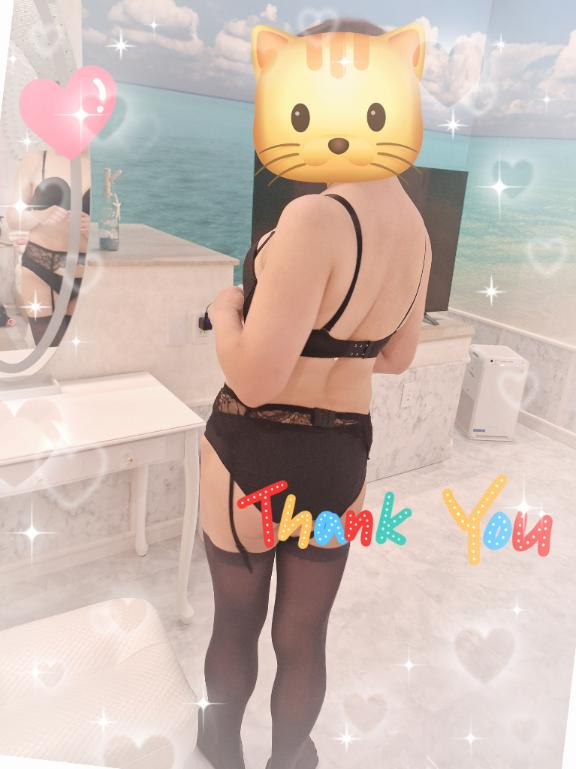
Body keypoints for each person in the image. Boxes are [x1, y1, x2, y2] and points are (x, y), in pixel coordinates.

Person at [197, 16, 431, 769]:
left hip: (252, 450)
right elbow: (397, 356)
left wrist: (228, 311)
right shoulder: (417, 231)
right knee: (303, 637)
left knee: (236, 625)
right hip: (339, 460)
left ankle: (220, 752)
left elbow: (255, 377)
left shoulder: (314, 215)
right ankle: (291, 756)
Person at [5, 147, 91, 346]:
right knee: (47, 350)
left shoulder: (104, 163)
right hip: (38, 267)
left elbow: (117, 224)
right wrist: (39, 215)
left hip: (85, 271)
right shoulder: (36, 159)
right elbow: (12, 217)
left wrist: (95, 226)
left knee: (74, 354)